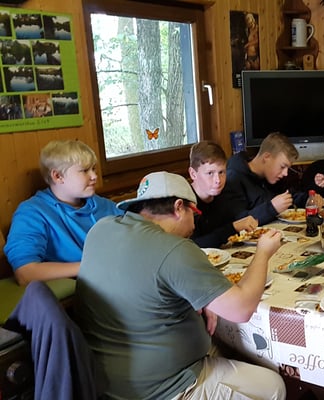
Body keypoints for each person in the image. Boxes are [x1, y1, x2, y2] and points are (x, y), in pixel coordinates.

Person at [75, 171, 286, 400]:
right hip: (163, 388)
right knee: (273, 386)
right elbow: (241, 309)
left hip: (105, 379)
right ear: (178, 207)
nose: (194, 224)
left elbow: (143, 280)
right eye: (194, 213)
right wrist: (263, 253)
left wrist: (200, 297)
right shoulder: (175, 248)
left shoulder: (101, 229)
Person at [3, 139, 123, 285]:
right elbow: (25, 272)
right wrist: (93, 267)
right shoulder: (31, 213)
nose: (94, 176)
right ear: (58, 176)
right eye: (85, 170)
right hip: (87, 286)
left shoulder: (102, 204)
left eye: (94, 168)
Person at [224, 132, 321, 224]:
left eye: (288, 168)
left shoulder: (271, 176)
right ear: (267, 157)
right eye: (282, 166)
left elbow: (290, 197)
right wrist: (272, 208)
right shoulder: (233, 178)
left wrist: (308, 199)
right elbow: (238, 222)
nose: (285, 173)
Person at [188, 141, 258, 248]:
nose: (218, 180)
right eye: (210, 173)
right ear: (193, 174)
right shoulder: (185, 204)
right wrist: (233, 228)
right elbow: (192, 246)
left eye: (221, 172)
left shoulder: (223, 194)